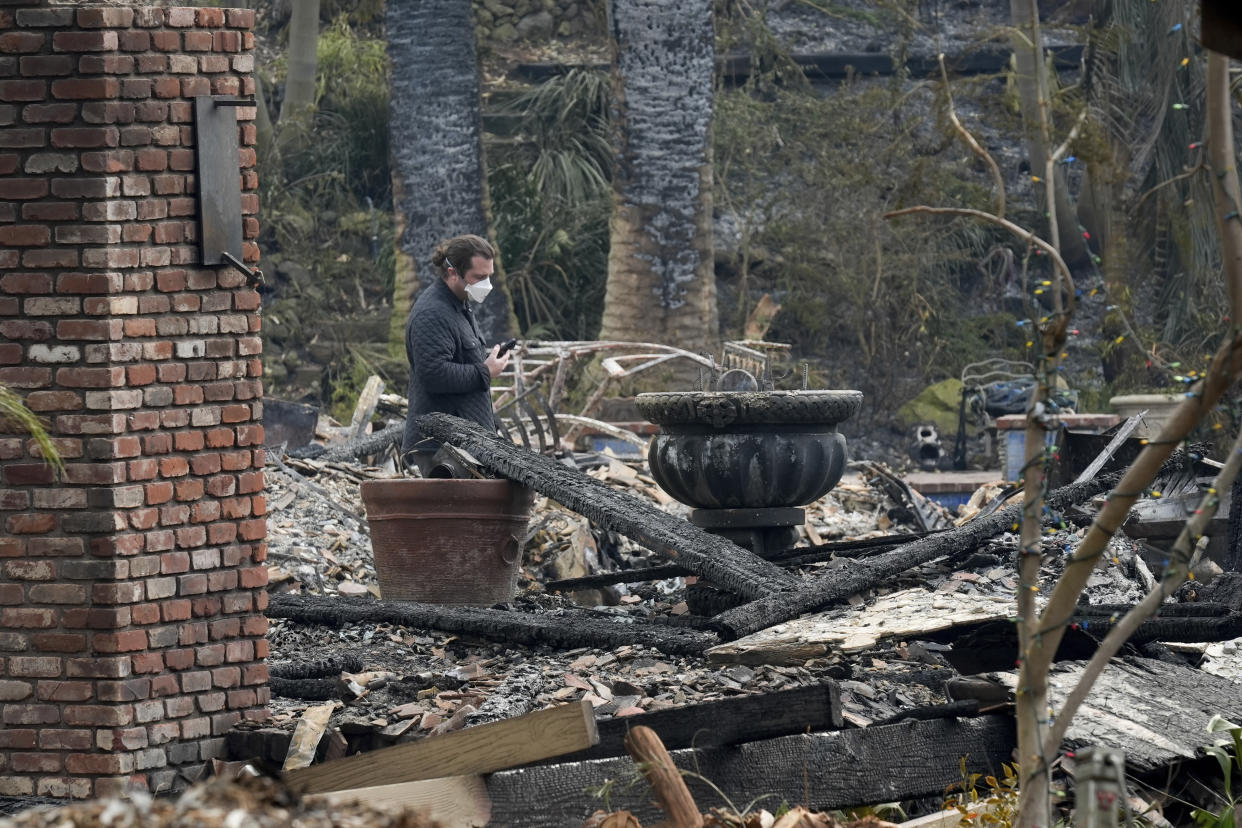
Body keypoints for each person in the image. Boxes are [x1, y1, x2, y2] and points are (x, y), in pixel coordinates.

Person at [401, 234, 511, 474]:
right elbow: (434, 374)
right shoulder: (432, 313)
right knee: (452, 511)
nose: (487, 284)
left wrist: (486, 363)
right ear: (452, 273)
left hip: (463, 440)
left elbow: (458, 360)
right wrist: (485, 371)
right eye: (479, 277)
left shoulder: (459, 304)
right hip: (441, 446)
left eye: (489, 276)